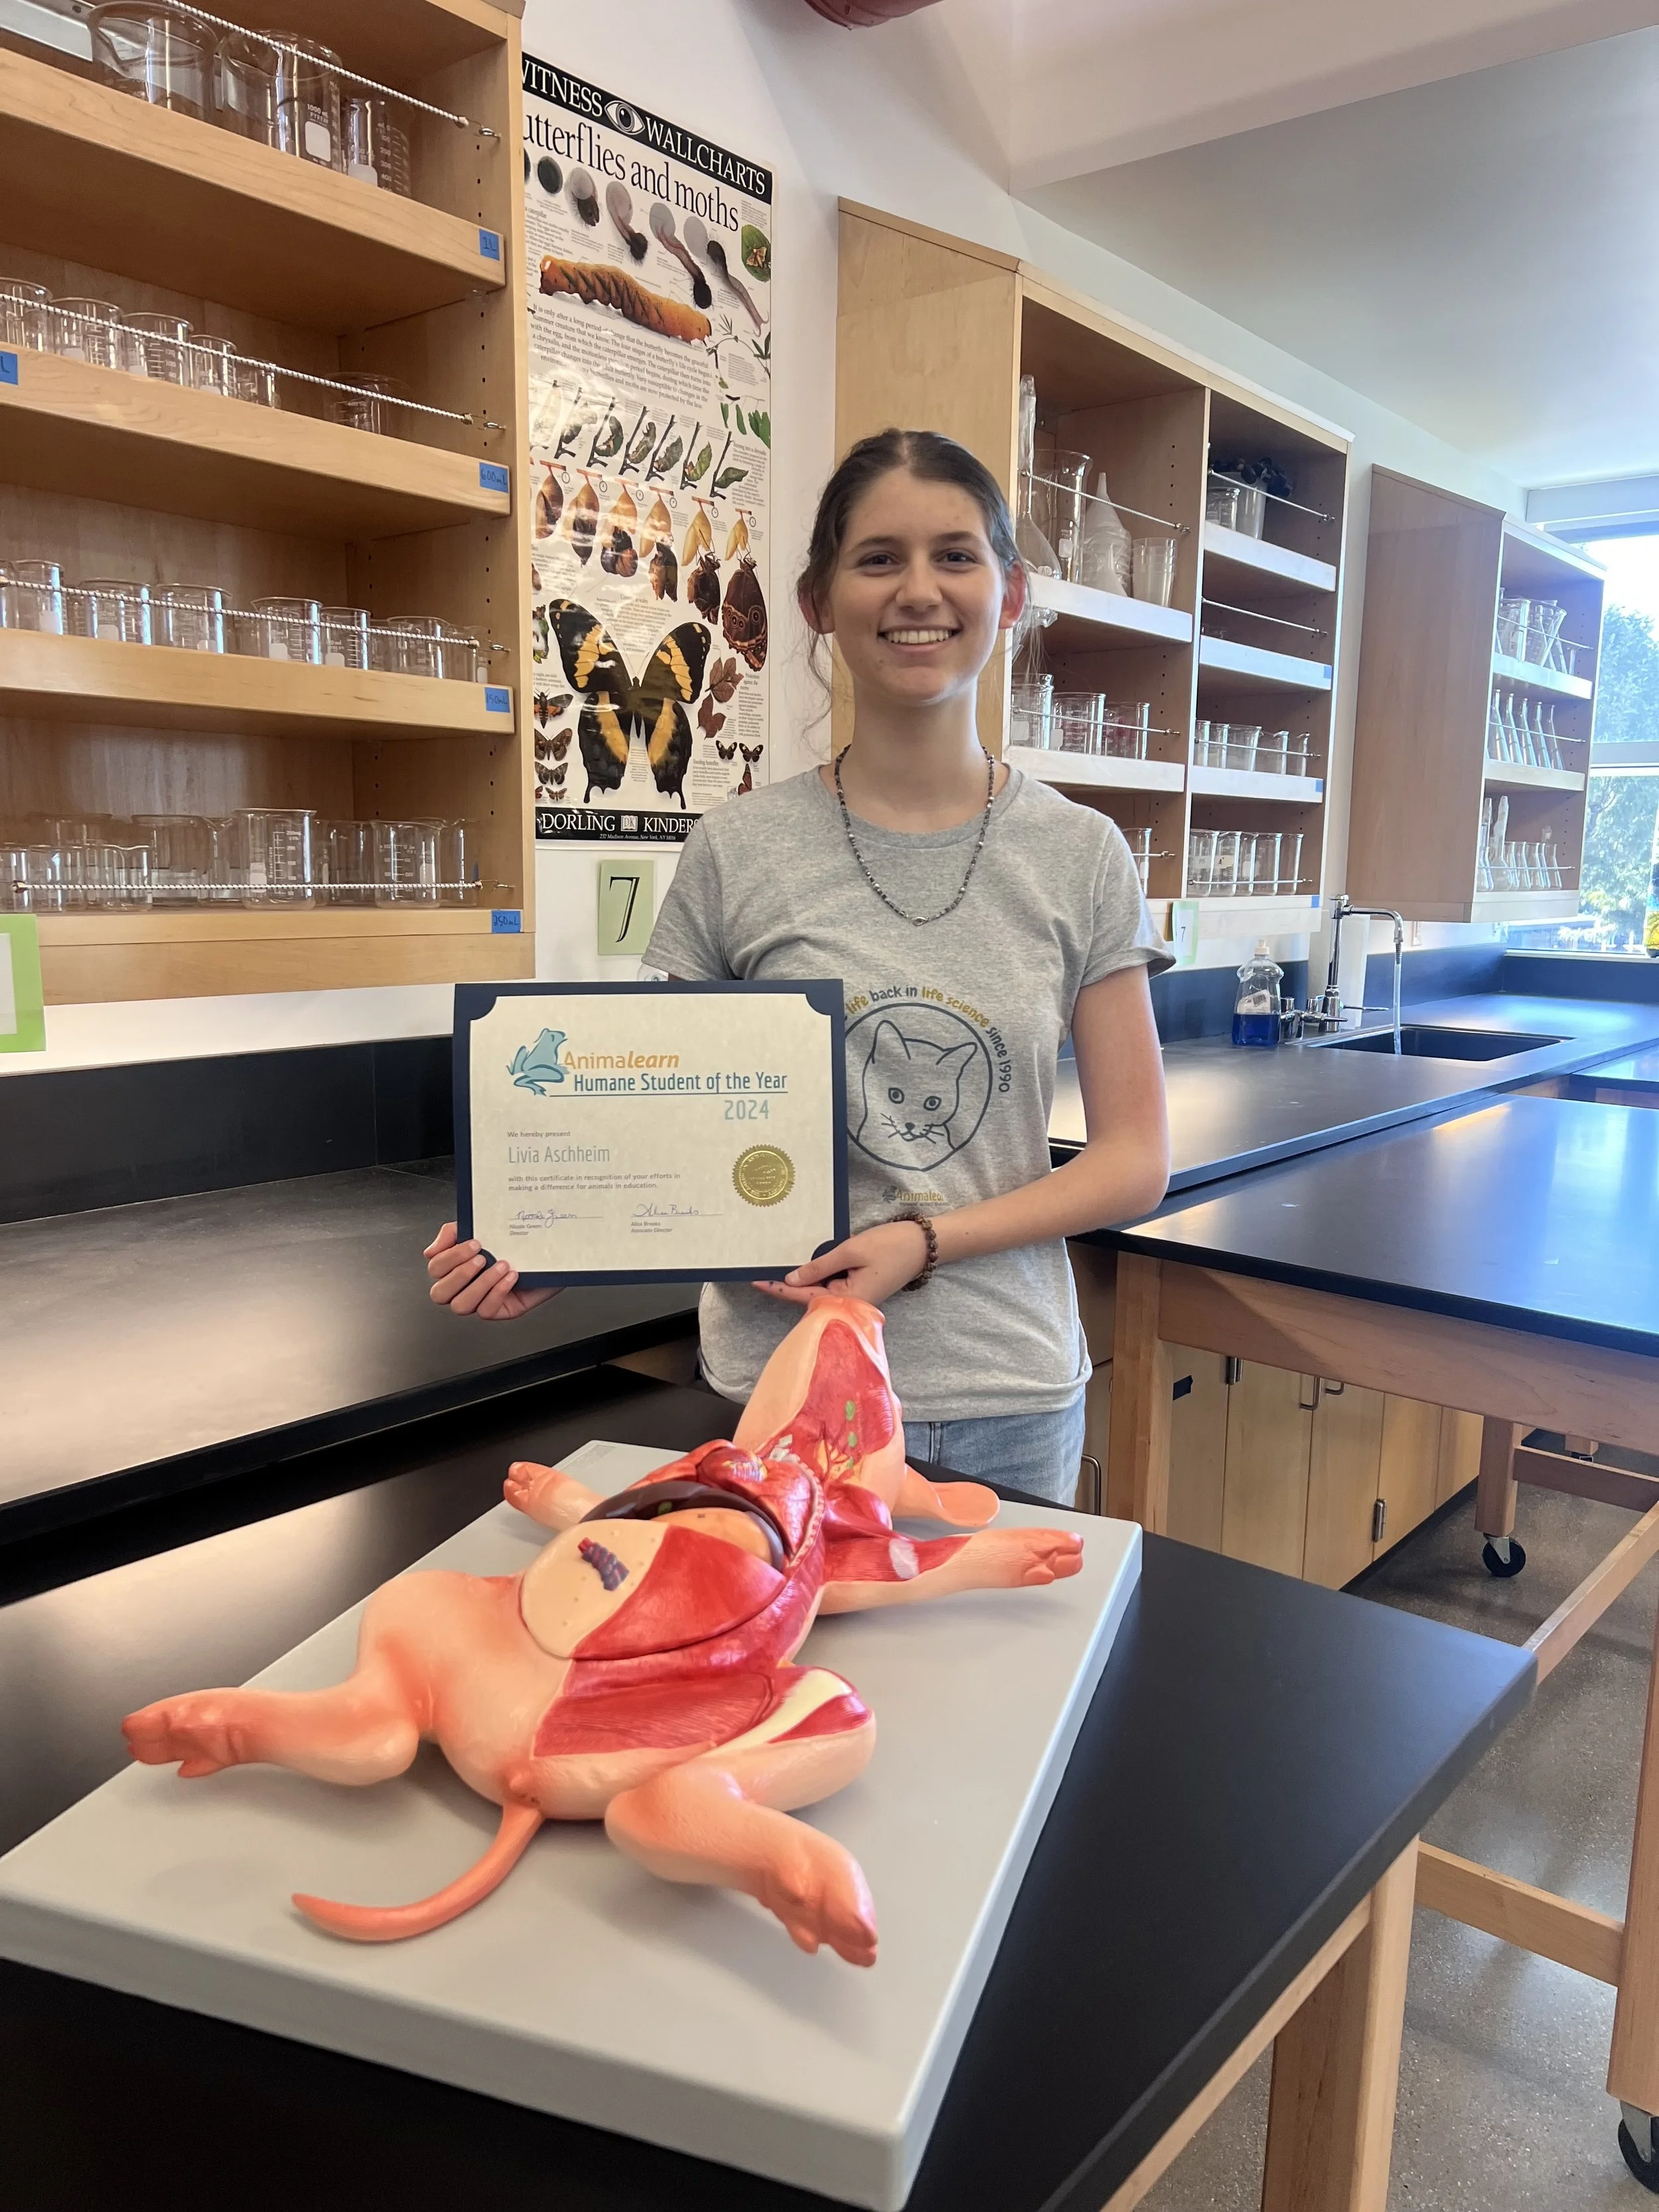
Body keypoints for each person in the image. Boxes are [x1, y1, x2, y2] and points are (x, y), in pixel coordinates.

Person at [427, 427, 1171, 1501]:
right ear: (820, 600)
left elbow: (1134, 1161)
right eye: (878, 559)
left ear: (1009, 595)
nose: (920, 589)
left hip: (999, 1393)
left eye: (956, 556)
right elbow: (670, 1115)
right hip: (770, 1391)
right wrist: (556, 1234)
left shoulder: (1082, 854)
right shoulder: (739, 848)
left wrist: (924, 1241)